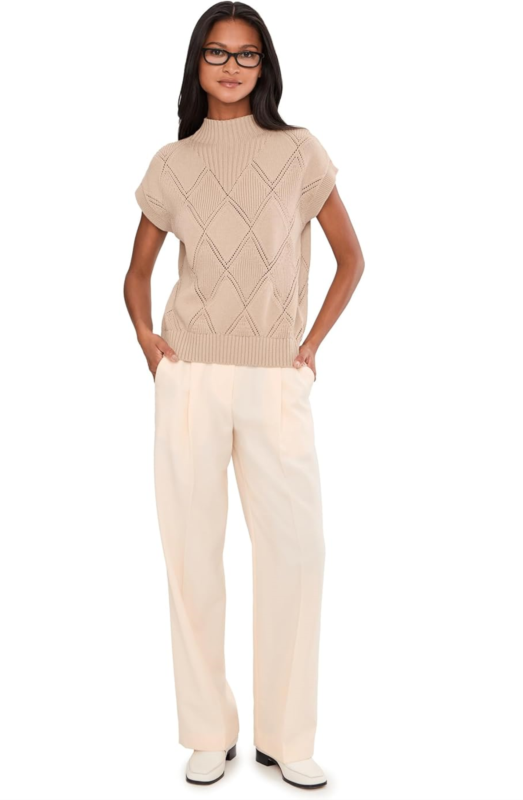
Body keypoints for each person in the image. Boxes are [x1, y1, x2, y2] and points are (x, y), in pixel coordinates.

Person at [124, 1, 364, 789]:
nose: (232, 67)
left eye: (248, 54)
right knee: (190, 556)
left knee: (297, 552)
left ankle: (286, 738)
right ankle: (208, 732)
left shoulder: (299, 152)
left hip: (275, 378)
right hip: (190, 376)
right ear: (197, 62)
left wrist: (310, 346)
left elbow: (352, 259)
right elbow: (136, 273)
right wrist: (148, 341)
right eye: (218, 52)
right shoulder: (172, 163)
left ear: (266, 66)